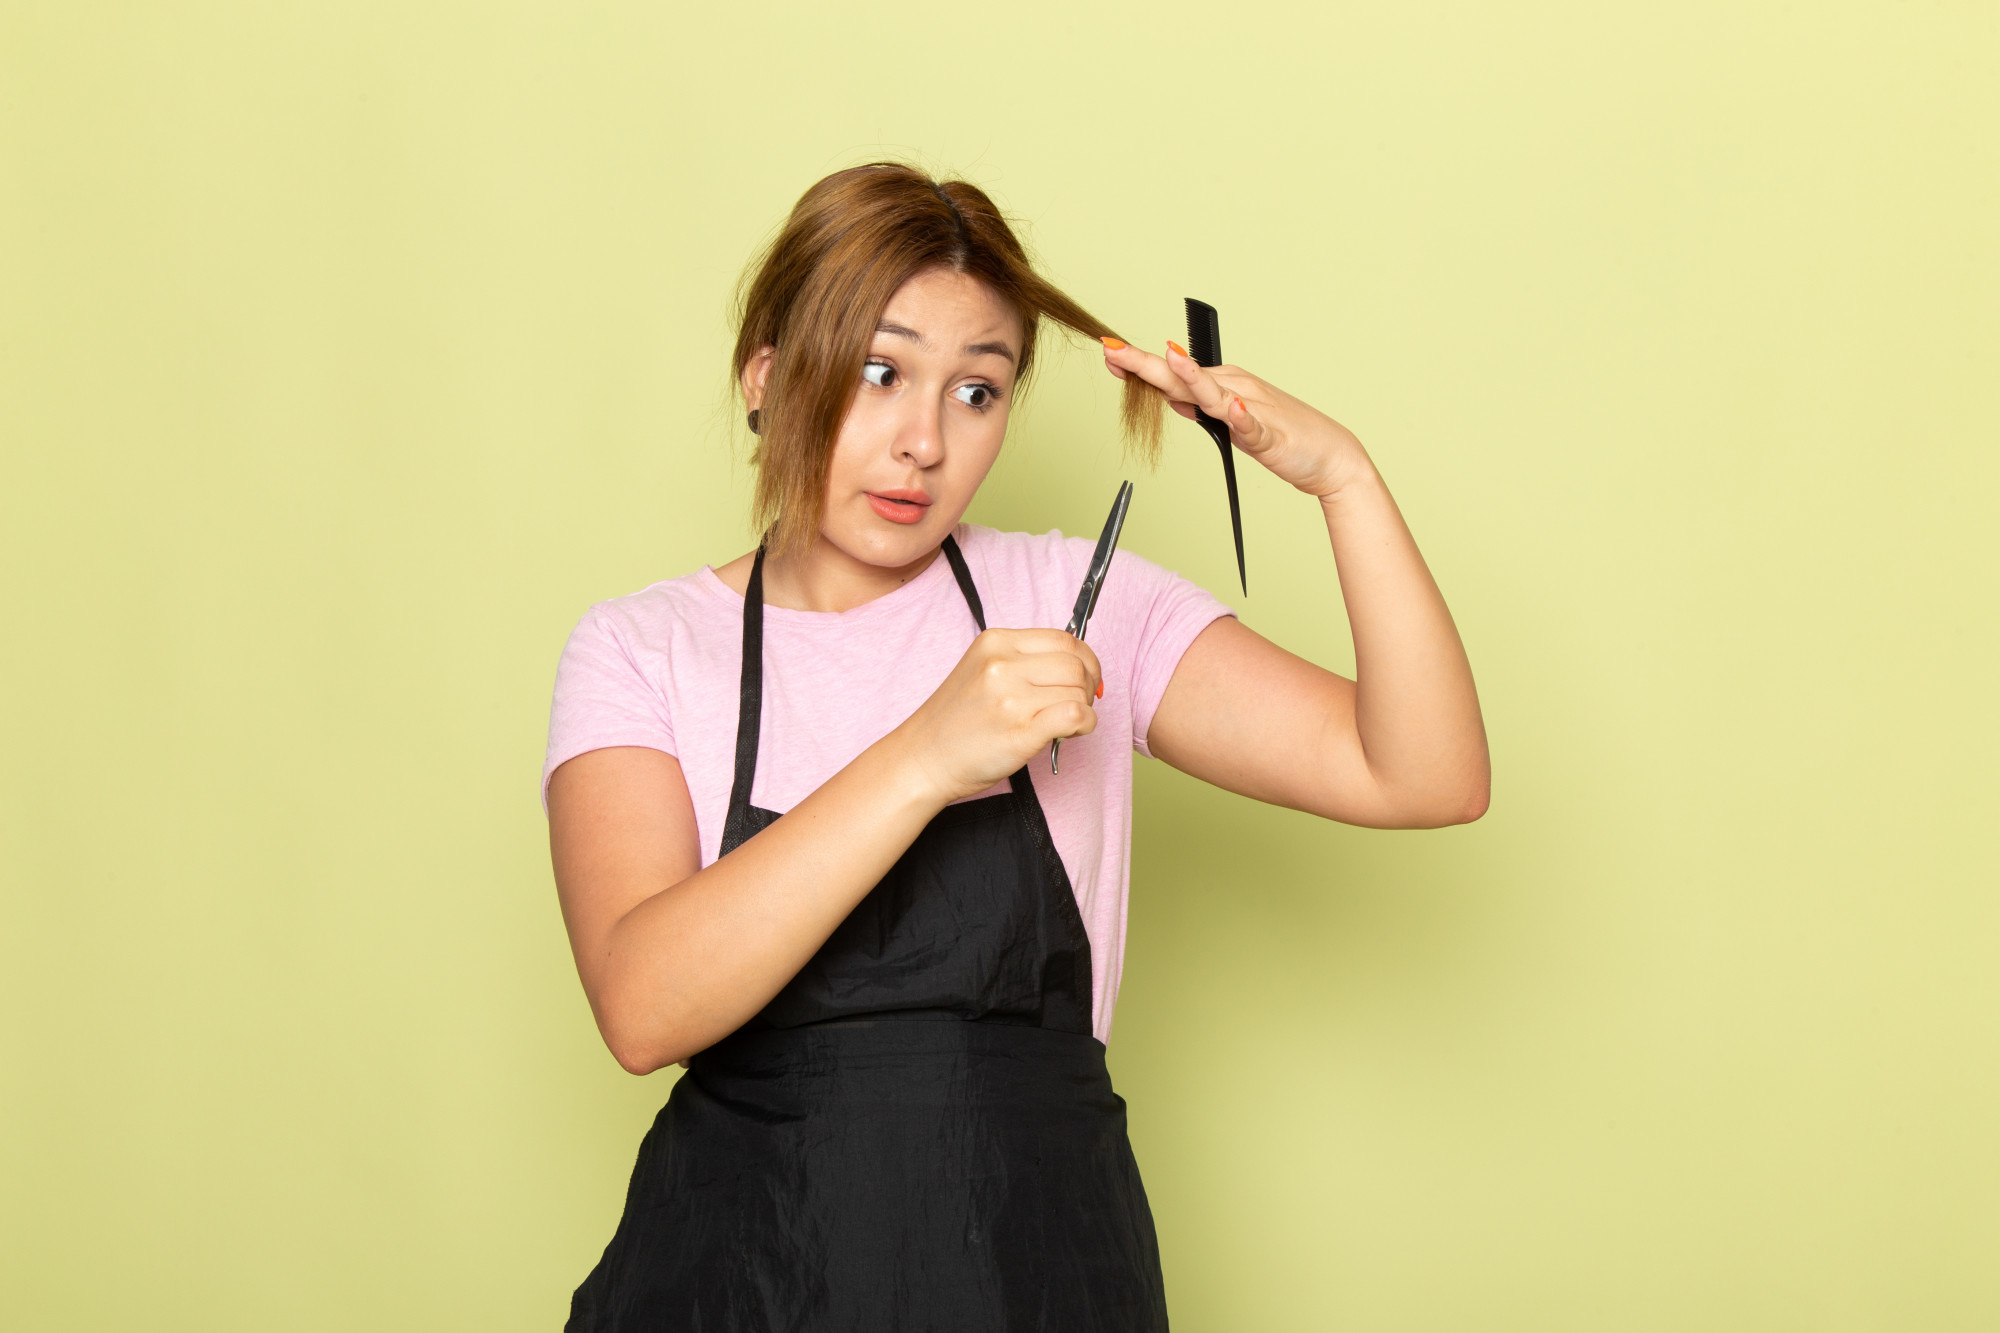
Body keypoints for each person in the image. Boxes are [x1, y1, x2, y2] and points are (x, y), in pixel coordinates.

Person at [542, 162, 1489, 1330]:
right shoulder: (642, 648)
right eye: (880, 373)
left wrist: (1345, 482)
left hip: (1036, 1276)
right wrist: (925, 754)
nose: (922, 442)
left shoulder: (1073, 602)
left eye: (976, 391)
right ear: (767, 375)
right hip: (738, 1282)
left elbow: (1424, 774)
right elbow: (641, 1007)